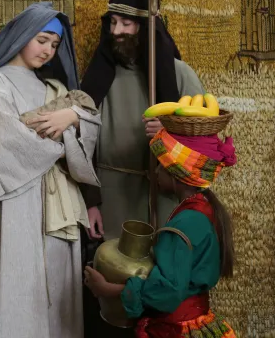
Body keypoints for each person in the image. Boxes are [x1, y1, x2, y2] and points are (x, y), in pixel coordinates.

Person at [0, 2, 102, 338]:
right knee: (19, 286)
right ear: (23, 35)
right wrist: (63, 143)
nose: (49, 50)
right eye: (42, 40)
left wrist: (73, 117)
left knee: (58, 292)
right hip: (16, 202)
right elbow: (6, 144)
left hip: (60, 206)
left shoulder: (55, 90)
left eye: (55, 45)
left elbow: (90, 126)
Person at [80, 0, 206, 240]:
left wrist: (171, 133)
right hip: (111, 197)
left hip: (163, 196)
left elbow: (204, 144)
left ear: (146, 26)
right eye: (113, 22)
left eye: (126, 24)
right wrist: (90, 202)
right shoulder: (100, 78)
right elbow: (83, 141)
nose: (116, 31)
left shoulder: (180, 75)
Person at [84, 127, 237, 338]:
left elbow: (169, 292)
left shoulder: (183, 224)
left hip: (175, 329)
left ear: (177, 174)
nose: (155, 172)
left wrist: (106, 289)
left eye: (161, 166)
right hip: (200, 320)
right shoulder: (206, 208)